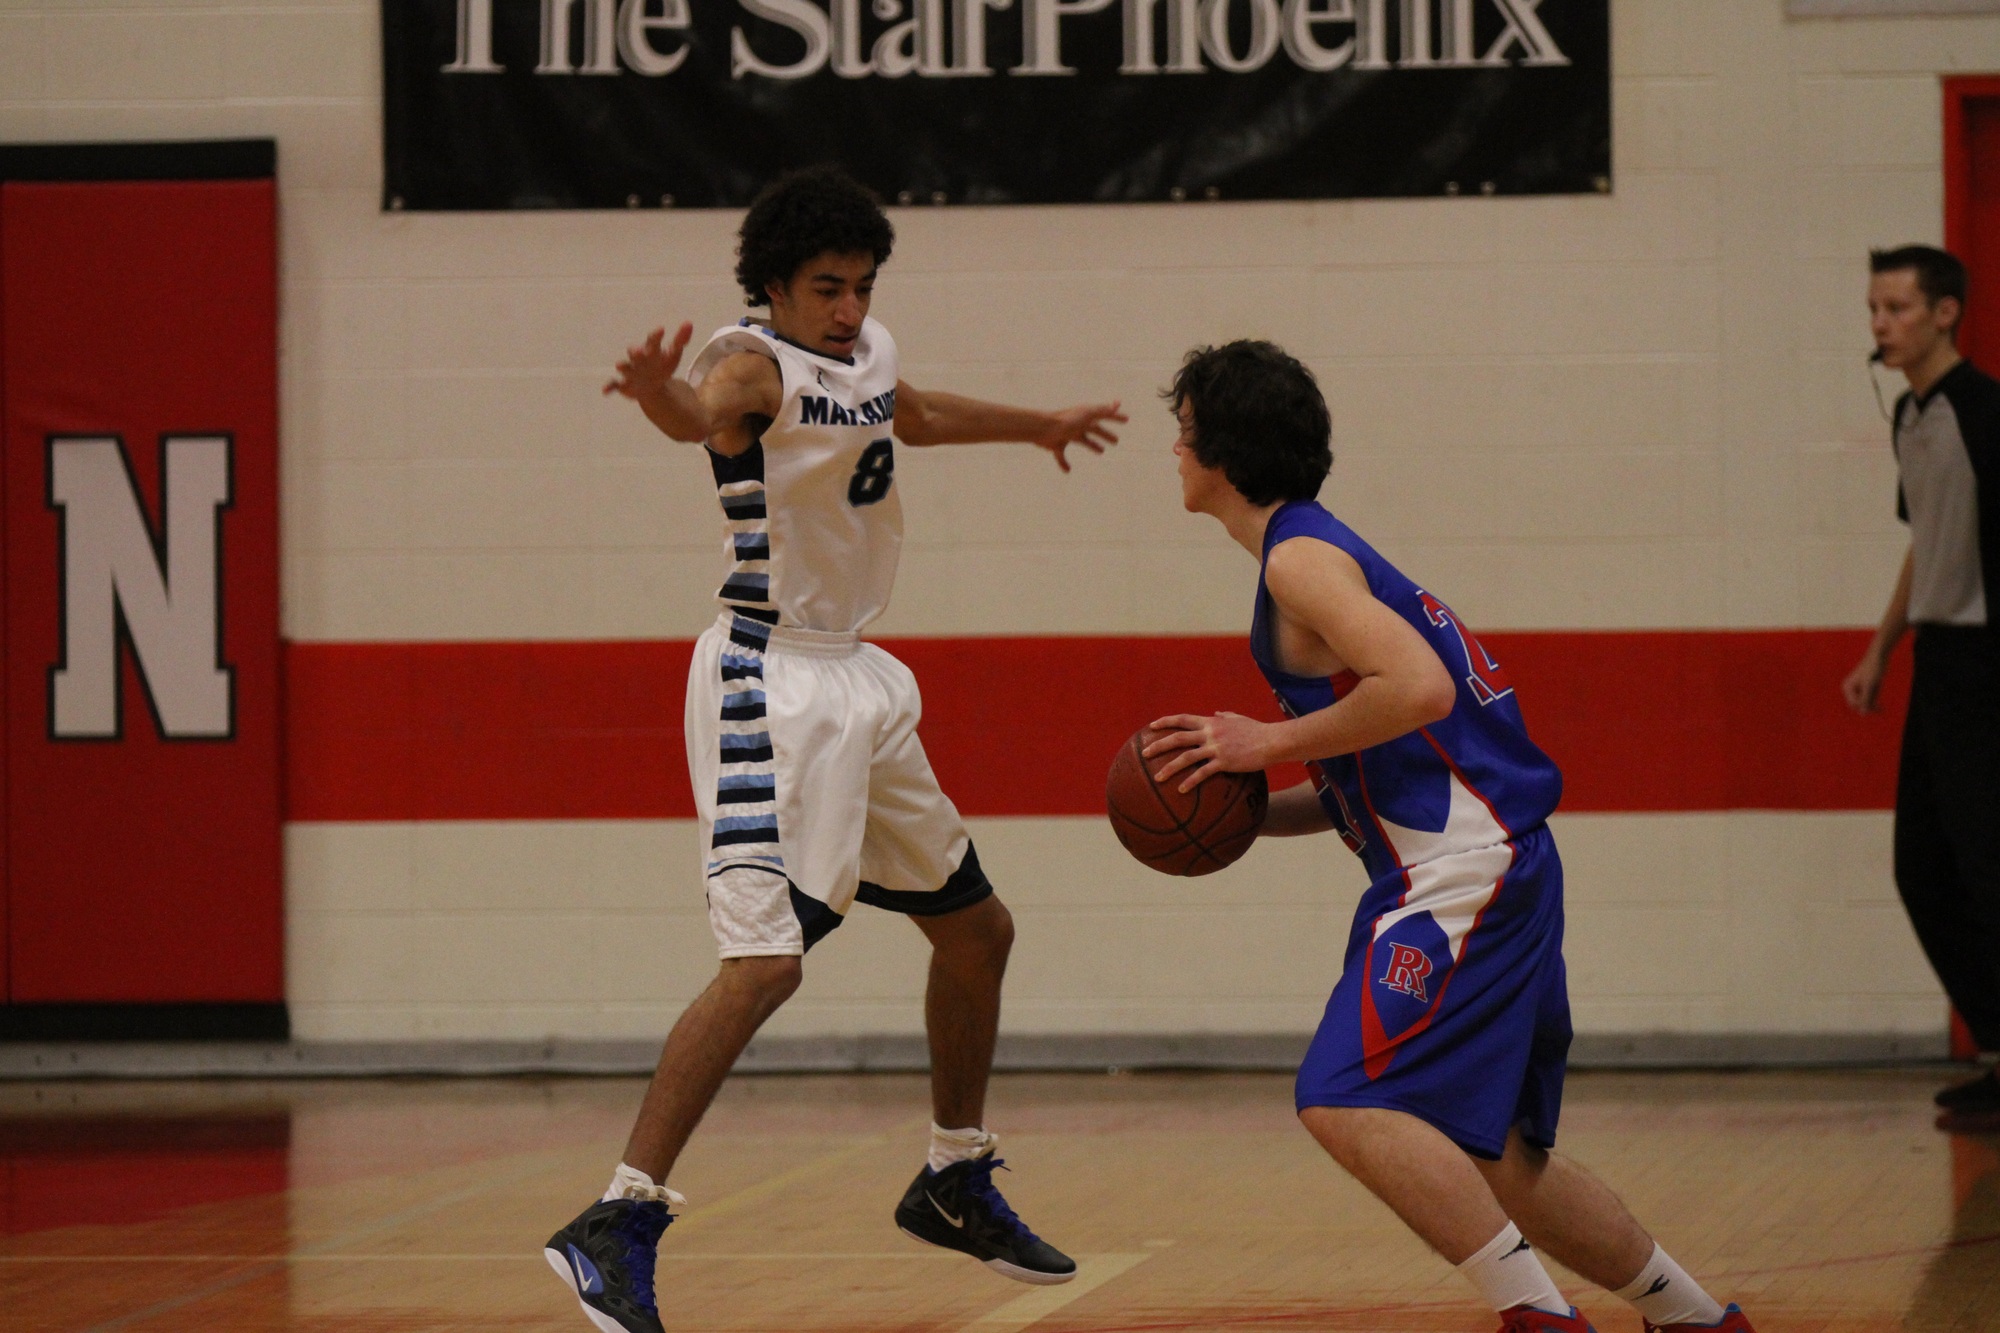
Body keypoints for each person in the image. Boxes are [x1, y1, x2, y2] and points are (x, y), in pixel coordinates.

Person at [544, 165, 1126, 1333]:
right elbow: (697, 412)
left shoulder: (863, 353)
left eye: (861, 286)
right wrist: (658, 395)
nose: (849, 309)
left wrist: (1039, 427)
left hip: (857, 672)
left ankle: (952, 1174)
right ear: (773, 287)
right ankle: (615, 1218)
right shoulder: (749, 364)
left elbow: (913, 412)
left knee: (976, 930)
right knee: (766, 965)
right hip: (767, 682)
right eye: (826, 288)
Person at [1145, 341, 1753, 1333]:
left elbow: (1419, 689)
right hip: (1495, 860)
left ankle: (1537, 1318)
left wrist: (1265, 741)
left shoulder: (1299, 561)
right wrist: (1255, 810)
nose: (1172, 447)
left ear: (1223, 448)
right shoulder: (1315, 551)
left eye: (1183, 429)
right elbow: (1394, 751)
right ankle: (1696, 1321)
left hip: (1463, 872)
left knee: (1344, 1095)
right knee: (1496, 1158)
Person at [1843, 244, 2000, 1134]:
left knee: (1985, 861)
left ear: (1945, 313)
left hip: (1986, 662)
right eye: (1874, 308)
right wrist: (1882, 648)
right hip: (1939, 660)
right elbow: (1928, 541)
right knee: (1924, 865)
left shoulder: (1987, 413)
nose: (1880, 324)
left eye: (1897, 308)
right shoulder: (1911, 413)